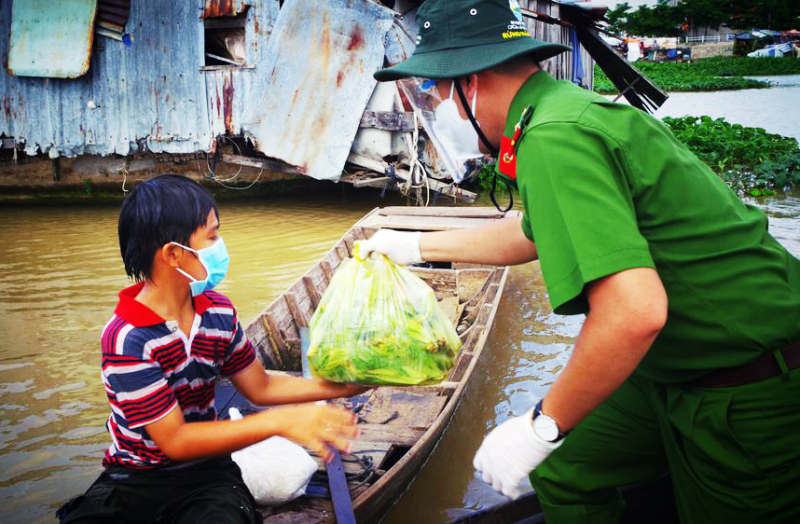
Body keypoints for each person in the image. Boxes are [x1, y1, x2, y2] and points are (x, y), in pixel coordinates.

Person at [360, 0, 800, 522]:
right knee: (566, 473)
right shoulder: (553, 113)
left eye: (435, 88)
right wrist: (413, 247)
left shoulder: (554, 135)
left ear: (470, 82)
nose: (436, 104)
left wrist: (542, 425)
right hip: (671, 370)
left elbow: (634, 313)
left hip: (746, 386)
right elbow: (531, 233)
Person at [57, 175, 364, 524]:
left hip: (208, 473)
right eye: (213, 237)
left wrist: (346, 385)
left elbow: (260, 388)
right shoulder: (127, 338)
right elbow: (174, 440)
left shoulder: (217, 313)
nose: (221, 247)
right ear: (174, 254)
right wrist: (283, 422)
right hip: (135, 477)